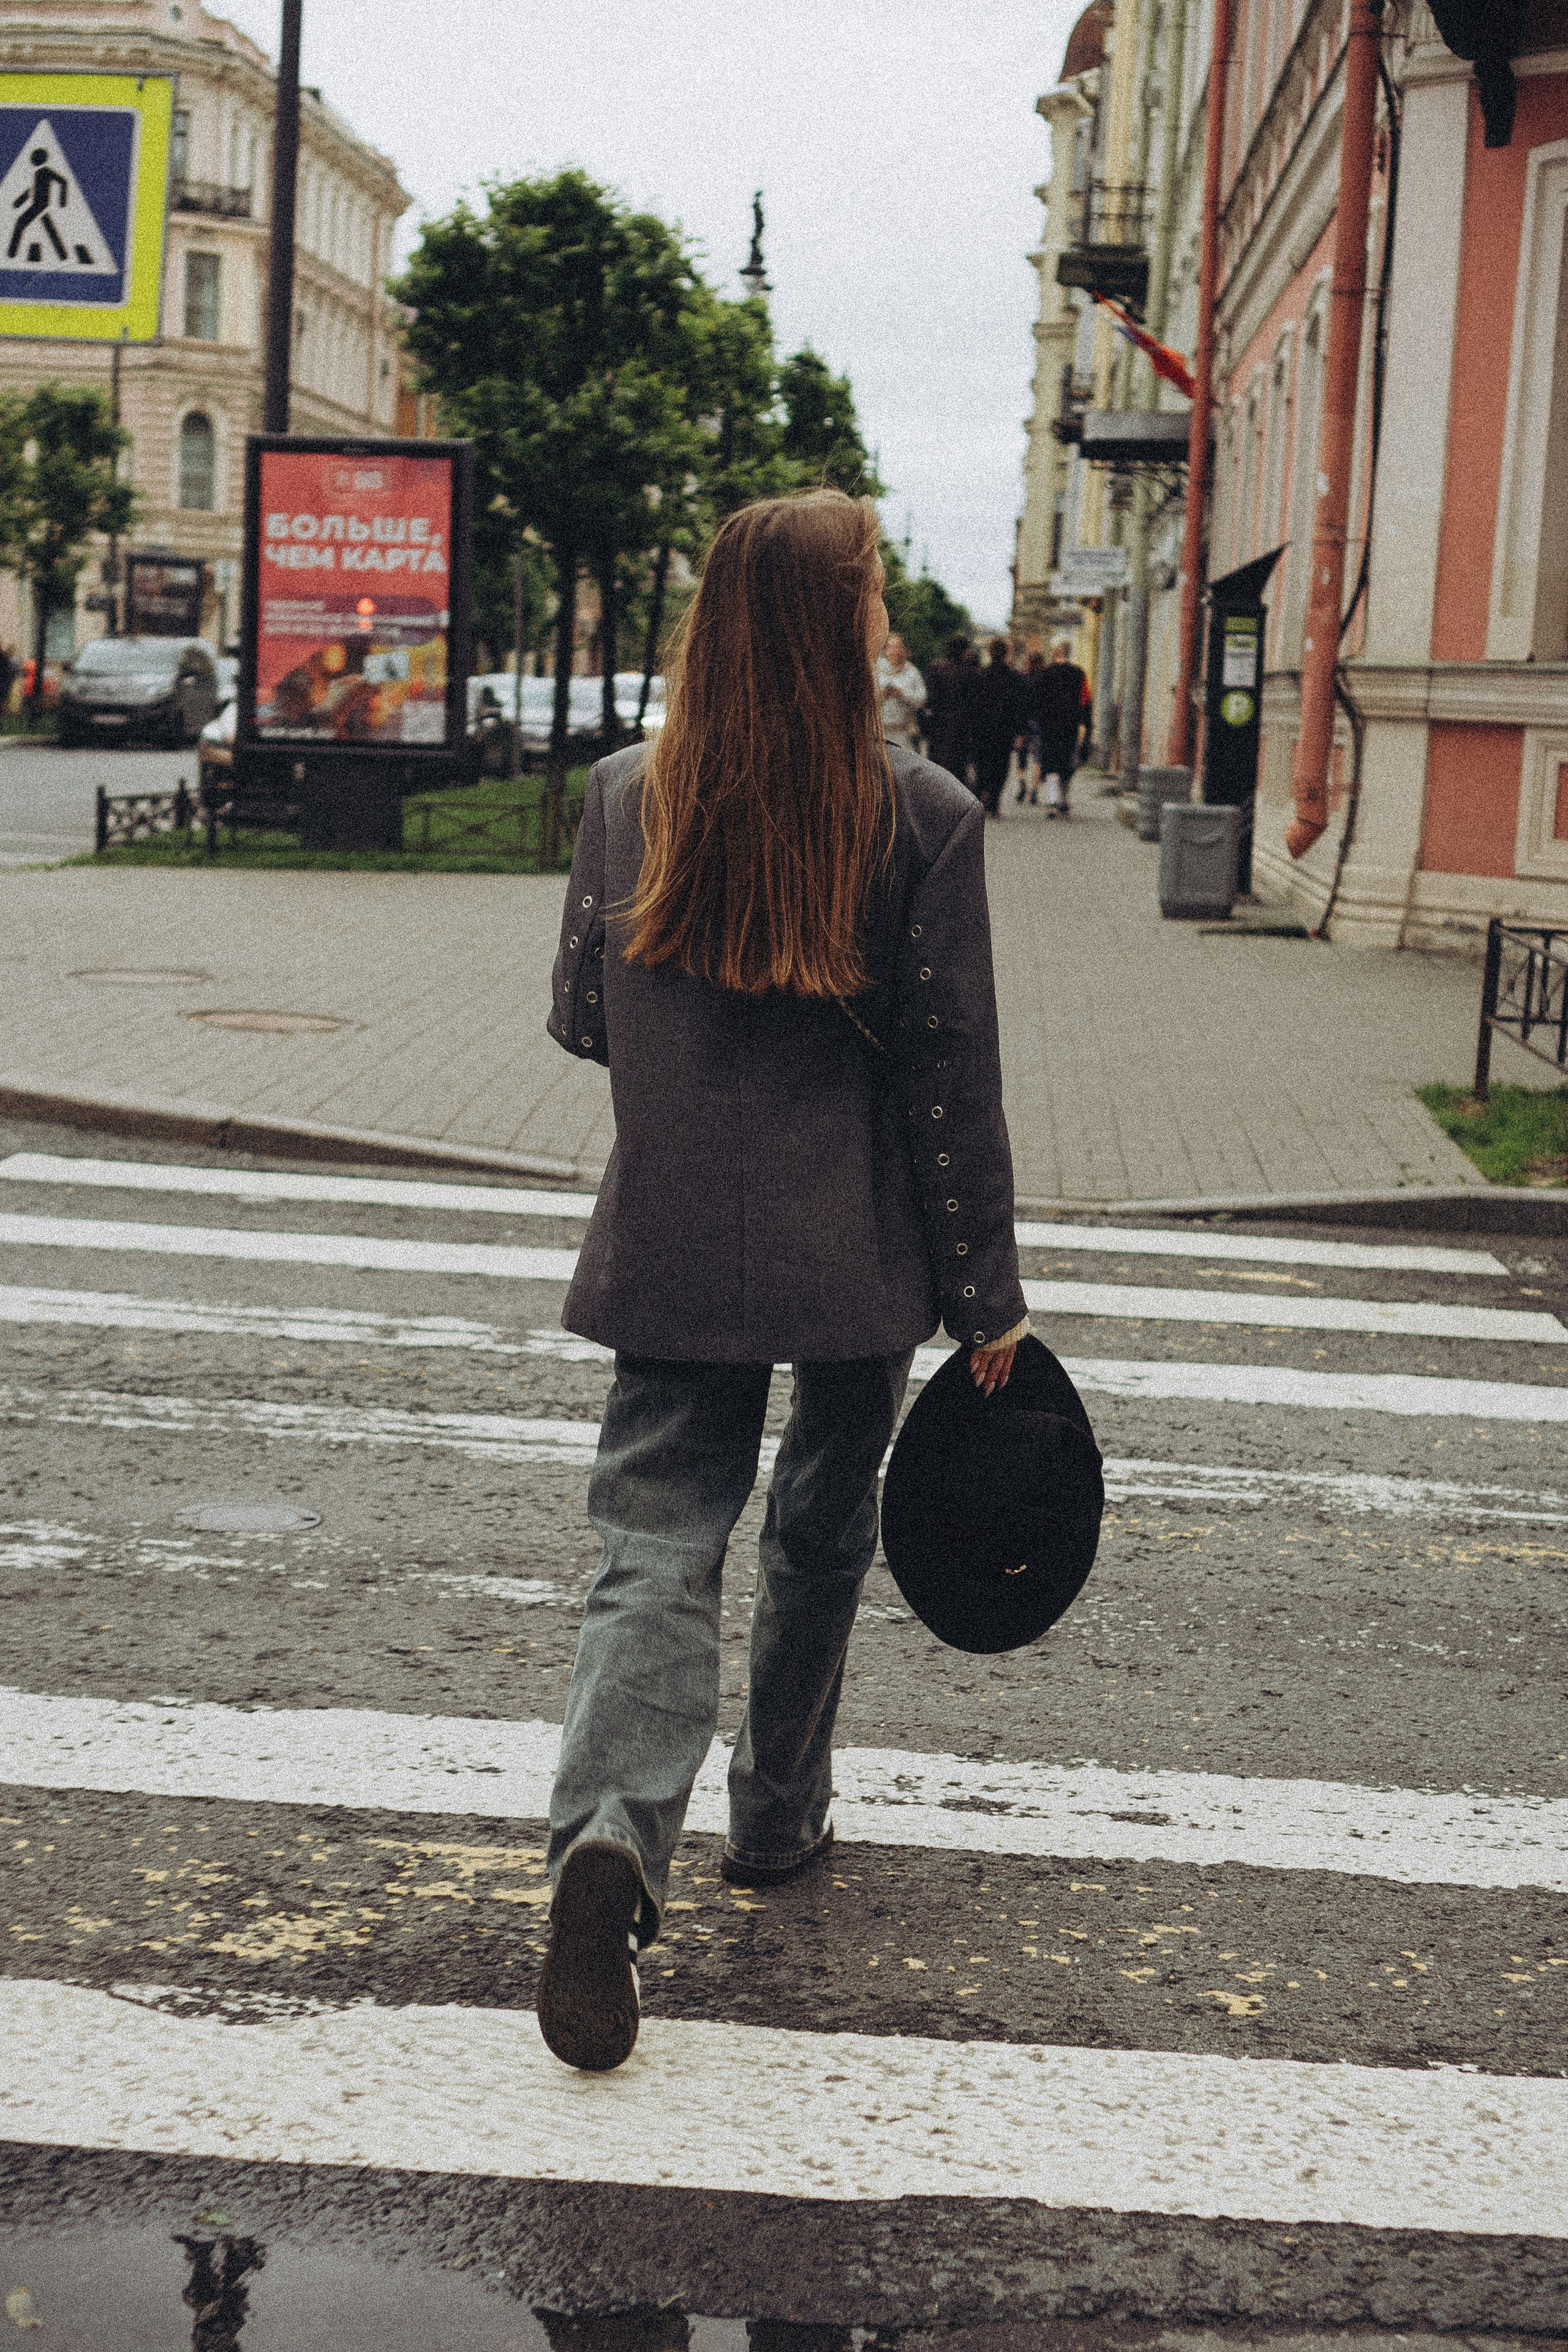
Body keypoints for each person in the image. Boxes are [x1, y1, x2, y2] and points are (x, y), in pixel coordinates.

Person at [539, 488, 1029, 2072]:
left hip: (675, 1232)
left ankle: (609, 1843)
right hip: (854, 1255)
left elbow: (583, 1018)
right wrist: (991, 1300)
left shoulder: (624, 798)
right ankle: (775, 1818)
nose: (889, 621)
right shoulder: (927, 816)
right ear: (837, 625)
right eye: (877, 596)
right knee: (821, 1535)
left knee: (652, 1549)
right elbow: (952, 1088)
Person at [1026, 637, 1092, 816]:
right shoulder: (1079, 674)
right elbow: (1086, 702)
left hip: (1048, 727)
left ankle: (1053, 802)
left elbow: (1035, 703)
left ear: (1054, 651)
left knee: (1050, 763)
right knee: (1066, 764)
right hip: (1070, 727)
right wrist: (1086, 725)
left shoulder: (1044, 675)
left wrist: (1036, 724)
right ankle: (1064, 800)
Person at [968, 636, 1022, 818]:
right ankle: (994, 803)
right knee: (1001, 767)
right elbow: (1018, 707)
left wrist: (972, 730)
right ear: (1007, 654)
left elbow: (974, 706)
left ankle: (982, 798)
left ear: (990, 653)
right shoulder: (1014, 678)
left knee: (982, 766)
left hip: (982, 731)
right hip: (1005, 731)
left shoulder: (981, 676)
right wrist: (1020, 732)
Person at [922, 631, 974, 783]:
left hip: (939, 725)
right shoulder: (968, 672)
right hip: (961, 727)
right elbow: (972, 703)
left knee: (937, 767)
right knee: (957, 770)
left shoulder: (936, 667)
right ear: (964, 651)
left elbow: (929, 698)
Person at [875, 630, 926, 750]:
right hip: (878, 731)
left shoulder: (912, 672)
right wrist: (881, 693)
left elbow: (921, 699)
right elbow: (864, 698)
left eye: (897, 647)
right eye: (890, 647)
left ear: (904, 650)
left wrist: (902, 694)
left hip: (902, 732)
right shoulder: (877, 669)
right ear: (885, 650)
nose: (894, 651)